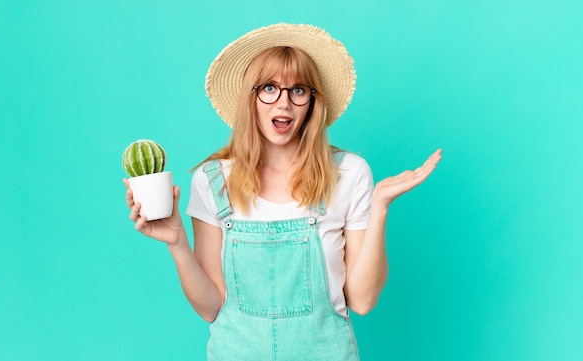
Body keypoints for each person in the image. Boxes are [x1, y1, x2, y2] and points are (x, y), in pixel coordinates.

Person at [124, 23, 442, 360]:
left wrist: (380, 206)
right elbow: (210, 307)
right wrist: (177, 243)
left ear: (311, 102)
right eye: (270, 88)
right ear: (252, 97)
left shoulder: (348, 174)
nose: (284, 103)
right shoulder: (213, 179)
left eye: (298, 90)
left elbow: (362, 301)